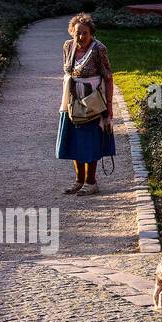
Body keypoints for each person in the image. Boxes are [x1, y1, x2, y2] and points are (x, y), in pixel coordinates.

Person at [56, 13, 116, 195]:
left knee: (90, 141)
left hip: (92, 102)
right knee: (74, 141)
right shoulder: (68, 46)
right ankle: (79, 180)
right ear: (71, 32)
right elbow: (68, 71)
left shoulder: (99, 49)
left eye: (84, 33)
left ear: (91, 33)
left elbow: (108, 77)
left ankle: (91, 182)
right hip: (72, 101)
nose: (80, 37)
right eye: (77, 33)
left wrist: (109, 109)